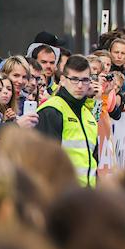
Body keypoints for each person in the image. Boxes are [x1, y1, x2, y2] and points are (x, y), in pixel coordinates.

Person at [36, 55, 100, 187]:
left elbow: (93, 161)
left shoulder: (88, 115)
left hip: (87, 195)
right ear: (63, 80)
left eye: (85, 80)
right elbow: (44, 163)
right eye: (74, 79)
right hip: (62, 196)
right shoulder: (51, 111)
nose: (80, 85)